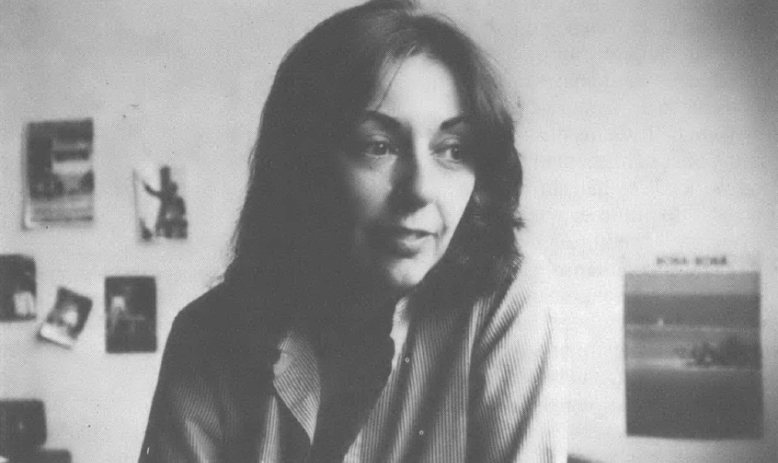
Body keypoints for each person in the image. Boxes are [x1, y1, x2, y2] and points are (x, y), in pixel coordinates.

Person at [139, 1, 565, 462]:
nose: (421, 188)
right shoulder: (207, 337)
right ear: (305, 165)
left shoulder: (504, 301)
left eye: (453, 149)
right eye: (378, 146)